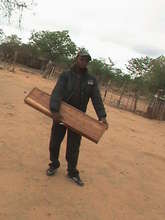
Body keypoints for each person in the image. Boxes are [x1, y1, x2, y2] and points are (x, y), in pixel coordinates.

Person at [47, 49, 108, 186]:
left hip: (78, 119)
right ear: (77, 58)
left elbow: (96, 99)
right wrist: (55, 110)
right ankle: (54, 164)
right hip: (62, 115)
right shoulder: (66, 75)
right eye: (82, 59)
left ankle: (72, 172)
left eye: (86, 60)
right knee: (55, 142)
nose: (83, 62)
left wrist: (102, 116)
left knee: (73, 147)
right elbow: (57, 92)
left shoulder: (91, 80)